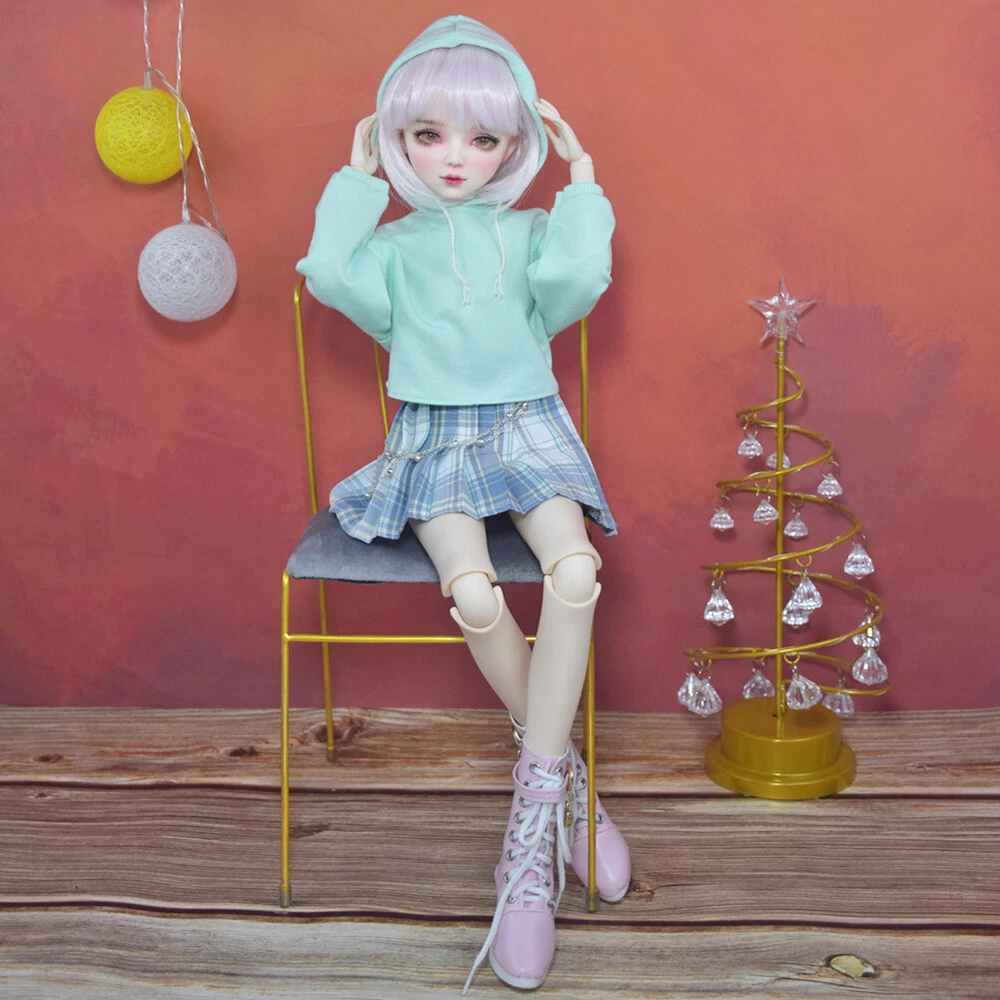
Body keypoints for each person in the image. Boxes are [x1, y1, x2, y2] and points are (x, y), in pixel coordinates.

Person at [297, 15, 630, 992]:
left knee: (576, 571)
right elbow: (330, 276)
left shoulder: (531, 233)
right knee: (475, 594)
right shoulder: (393, 247)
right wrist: (355, 182)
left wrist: (581, 180)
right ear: (395, 136)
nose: (455, 157)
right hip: (433, 436)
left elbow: (578, 281)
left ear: (515, 144)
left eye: (483, 138)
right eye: (428, 134)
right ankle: (568, 786)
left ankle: (534, 810)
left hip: (528, 426)